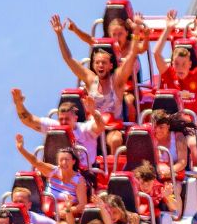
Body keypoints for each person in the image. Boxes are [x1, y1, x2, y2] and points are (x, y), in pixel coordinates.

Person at [50, 14, 145, 144]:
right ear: (93, 65)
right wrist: (59, 34)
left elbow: (132, 53)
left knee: (115, 139)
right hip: (92, 129)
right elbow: (69, 59)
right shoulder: (90, 79)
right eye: (97, 63)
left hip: (112, 128)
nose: (100, 65)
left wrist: (137, 30)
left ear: (110, 65)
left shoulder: (117, 79)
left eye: (104, 63)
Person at [11, 88, 104, 168]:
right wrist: (19, 104)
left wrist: (93, 112)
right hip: (58, 172)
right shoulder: (54, 127)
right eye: (61, 119)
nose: (63, 122)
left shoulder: (85, 129)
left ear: (75, 118)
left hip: (84, 173)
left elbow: (100, 126)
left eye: (67, 119)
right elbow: (29, 120)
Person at [155, 10, 197, 120]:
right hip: (172, 124)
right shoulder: (169, 75)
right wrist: (168, 29)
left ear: (190, 64)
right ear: (172, 64)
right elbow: (156, 54)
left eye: (183, 64)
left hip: (191, 125)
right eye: (177, 64)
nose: (180, 68)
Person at [14, 134, 88, 214]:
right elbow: (36, 162)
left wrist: (66, 211)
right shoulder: (53, 171)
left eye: (67, 160)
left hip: (66, 214)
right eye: (61, 160)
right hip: (46, 211)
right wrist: (21, 149)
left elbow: (82, 205)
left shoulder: (79, 180)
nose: (64, 163)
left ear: (73, 161)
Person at [149, 109, 197, 180]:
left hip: (175, 176)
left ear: (168, 126)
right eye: (155, 127)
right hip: (155, 176)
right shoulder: (149, 137)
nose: (157, 130)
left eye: (161, 127)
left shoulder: (178, 136)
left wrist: (169, 171)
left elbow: (182, 162)